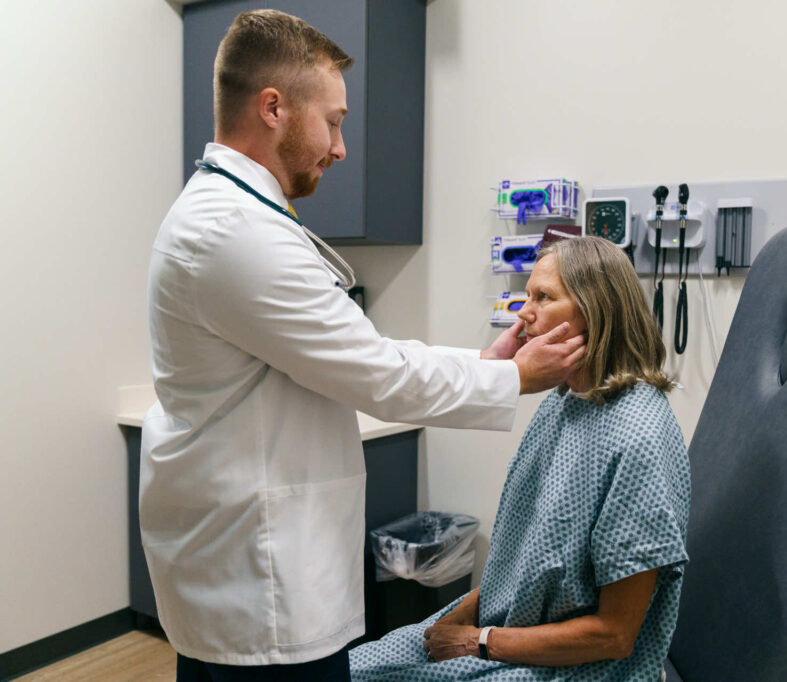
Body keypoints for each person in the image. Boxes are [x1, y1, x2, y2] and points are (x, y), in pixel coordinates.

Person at [140, 9, 584, 681]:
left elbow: (353, 350)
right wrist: (514, 378)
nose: (341, 147)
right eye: (335, 120)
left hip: (232, 570)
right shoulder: (237, 233)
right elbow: (380, 374)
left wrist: (486, 363)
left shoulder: (229, 215)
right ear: (273, 108)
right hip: (262, 590)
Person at [349, 236, 691, 682]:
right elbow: (521, 561)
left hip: (586, 669)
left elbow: (614, 636)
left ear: (595, 310)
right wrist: (466, 615)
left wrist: (480, 641)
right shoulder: (566, 402)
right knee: (351, 669)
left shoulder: (637, 435)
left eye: (542, 297)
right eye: (526, 295)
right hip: (511, 631)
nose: (523, 312)